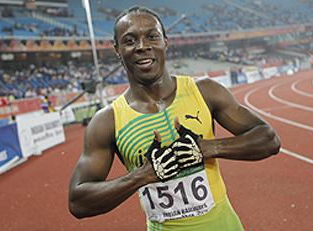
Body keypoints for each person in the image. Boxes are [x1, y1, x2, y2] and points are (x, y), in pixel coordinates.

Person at [68, 6, 281, 231]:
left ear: (165, 42)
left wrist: (206, 148)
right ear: (117, 50)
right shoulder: (108, 121)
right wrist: (142, 175)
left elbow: (268, 140)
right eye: (130, 41)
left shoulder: (205, 91)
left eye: (152, 36)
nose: (142, 46)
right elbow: (78, 201)